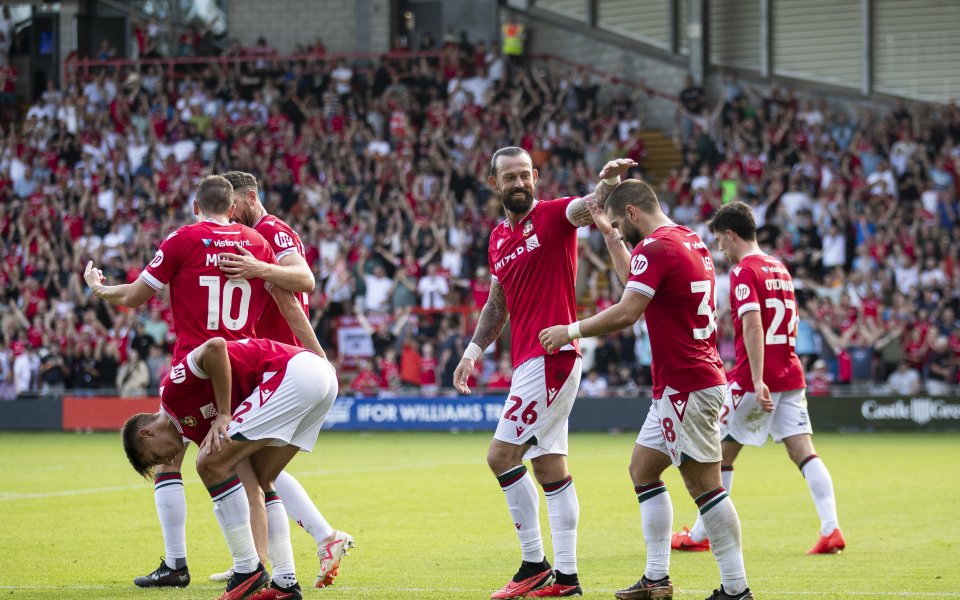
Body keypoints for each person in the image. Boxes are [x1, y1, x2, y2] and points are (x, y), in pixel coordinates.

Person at [83, 175, 345, 589]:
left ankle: (233, 566)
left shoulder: (182, 239)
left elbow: (134, 297)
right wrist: (320, 357)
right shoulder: (254, 242)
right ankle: (272, 571)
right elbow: (290, 299)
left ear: (195, 206)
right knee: (253, 473)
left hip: (201, 362)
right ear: (232, 207)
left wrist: (100, 290)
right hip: (246, 369)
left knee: (193, 459)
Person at [539, 180, 753, 600]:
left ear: (633, 212)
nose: (621, 232)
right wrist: (609, 236)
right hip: (685, 382)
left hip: (687, 384)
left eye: (620, 225)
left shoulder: (655, 248)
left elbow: (628, 311)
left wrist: (570, 330)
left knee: (706, 487)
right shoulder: (689, 240)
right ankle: (656, 579)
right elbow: (636, 284)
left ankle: (736, 589)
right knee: (643, 469)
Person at [453, 146, 636, 599]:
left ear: (535, 176)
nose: (519, 183)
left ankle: (534, 564)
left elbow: (588, 205)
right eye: (509, 177)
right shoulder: (498, 238)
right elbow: (497, 304)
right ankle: (567, 580)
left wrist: (608, 183)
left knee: (501, 457)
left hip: (552, 356)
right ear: (494, 184)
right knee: (550, 467)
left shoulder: (554, 215)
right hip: (528, 361)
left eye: (525, 175)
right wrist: (472, 351)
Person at [671, 201, 844, 557]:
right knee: (803, 451)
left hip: (755, 379)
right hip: (790, 373)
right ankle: (831, 529)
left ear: (731, 235)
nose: (720, 248)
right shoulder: (780, 268)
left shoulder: (744, 272)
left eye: (720, 240)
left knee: (719, 453)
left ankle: (702, 533)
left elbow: (753, 326)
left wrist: (757, 377)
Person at [213, 170, 355, 587]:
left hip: (286, 364)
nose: (229, 216)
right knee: (255, 467)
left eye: (233, 207)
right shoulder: (249, 236)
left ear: (250, 197)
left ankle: (261, 561)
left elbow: (303, 281)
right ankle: (276, 553)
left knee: (238, 461)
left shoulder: (271, 230)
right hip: (274, 362)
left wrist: (257, 267)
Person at [121, 336, 339, 600]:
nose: (168, 461)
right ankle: (285, 584)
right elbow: (253, 491)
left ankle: (246, 570)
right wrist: (260, 554)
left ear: (146, 433)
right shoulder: (197, 428)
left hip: (295, 372)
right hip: (319, 379)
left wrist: (224, 413)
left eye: (156, 456)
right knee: (261, 478)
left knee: (208, 462)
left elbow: (216, 346)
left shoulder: (171, 390)